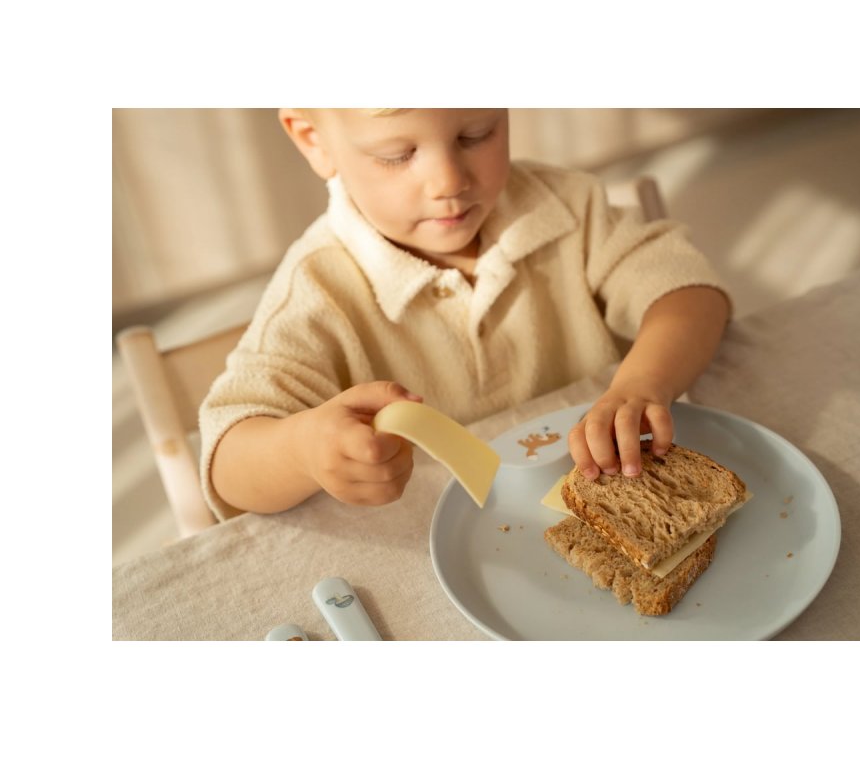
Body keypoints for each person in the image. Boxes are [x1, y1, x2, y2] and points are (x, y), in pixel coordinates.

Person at [199, 108, 730, 521]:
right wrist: (303, 451)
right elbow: (227, 461)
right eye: (397, 155)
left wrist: (642, 384)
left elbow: (689, 292)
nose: (449, 181)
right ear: (314, 140)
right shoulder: (317, 290)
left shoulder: (568, 206)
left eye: (476, 134)